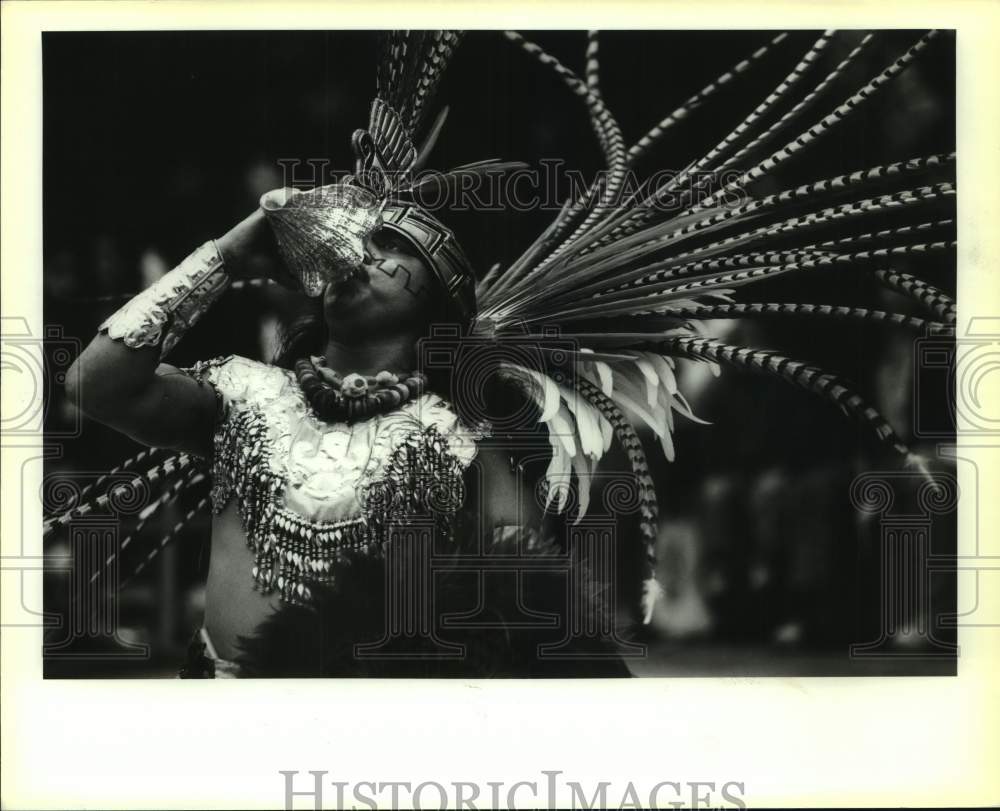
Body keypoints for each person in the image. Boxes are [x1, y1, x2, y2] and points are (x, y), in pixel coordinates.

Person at [57, 29, 955, 677]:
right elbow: (95, 383)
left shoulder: (452, 435)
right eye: (355, 244)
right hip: (213, 703)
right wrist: (226, 251)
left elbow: (534, 593)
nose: (361, 258)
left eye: (394, 254)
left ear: (439, 304)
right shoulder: (239, 393)